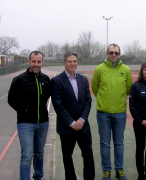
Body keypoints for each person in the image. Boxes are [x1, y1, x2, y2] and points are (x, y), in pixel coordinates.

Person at [51, 51, 95, 180]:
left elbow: (88, 101)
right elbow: (58, 105)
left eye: (74, 61)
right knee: (67, 157)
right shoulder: (56, 81)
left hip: (83, 127)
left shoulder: (83, 80)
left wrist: (81, 120)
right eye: (70, 61)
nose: (73, 64)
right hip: (66, 128)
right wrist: (71, 122)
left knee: (88, 156)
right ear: (64, 63)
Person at [91, 44, 132, 180]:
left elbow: (128, 89)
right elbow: (95, 88)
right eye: (111, 52)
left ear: (119, 55)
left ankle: (119, 170)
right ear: (106, 54)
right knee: (104, 143)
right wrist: (104, 101)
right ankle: (106, 170)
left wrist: (119, 102)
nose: (113, 55)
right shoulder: (99, 69)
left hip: (120, 113)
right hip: (103, 113)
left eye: (116, 52)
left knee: (119, 143)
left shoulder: (125, 70)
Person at [8, 50, 51, 180]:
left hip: (43, 122)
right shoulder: (19, 80)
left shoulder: (45, 79)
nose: (36, 64)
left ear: (42, 62)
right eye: (33, 61)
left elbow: (48, 95)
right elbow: (11, 99)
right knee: (27, 155)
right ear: (29, 62)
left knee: (39, 153)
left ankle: (38, 176)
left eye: (39, 62)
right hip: (25, 124)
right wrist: (24, 110)